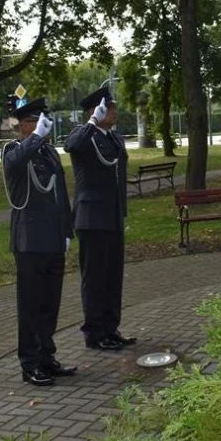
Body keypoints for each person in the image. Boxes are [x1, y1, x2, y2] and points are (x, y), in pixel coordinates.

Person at [2, 97, 76, 386]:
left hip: (53, 238)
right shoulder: (14, 151)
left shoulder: (48, 152)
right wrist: (34, 137)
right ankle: (30, 363)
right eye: (36, 121)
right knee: (31, 306)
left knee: (49, 304)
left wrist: (67, 231)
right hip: (30, 241)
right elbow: (17, 162)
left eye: (44, 121)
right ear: (24, 126)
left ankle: (47, 356)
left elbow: (59, 195)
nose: (43, 125)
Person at [64, 87, 136, 351]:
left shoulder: (114, 139)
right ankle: (94, 333)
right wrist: (93, 121)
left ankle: (111, 327)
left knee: (112, 276)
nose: (114, 111)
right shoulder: (83, 135)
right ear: (94, 111)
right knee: (94, 278)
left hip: (113, 216)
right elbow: (70, 146)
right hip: (91, 218)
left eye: (114, 107)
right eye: (109, 107)